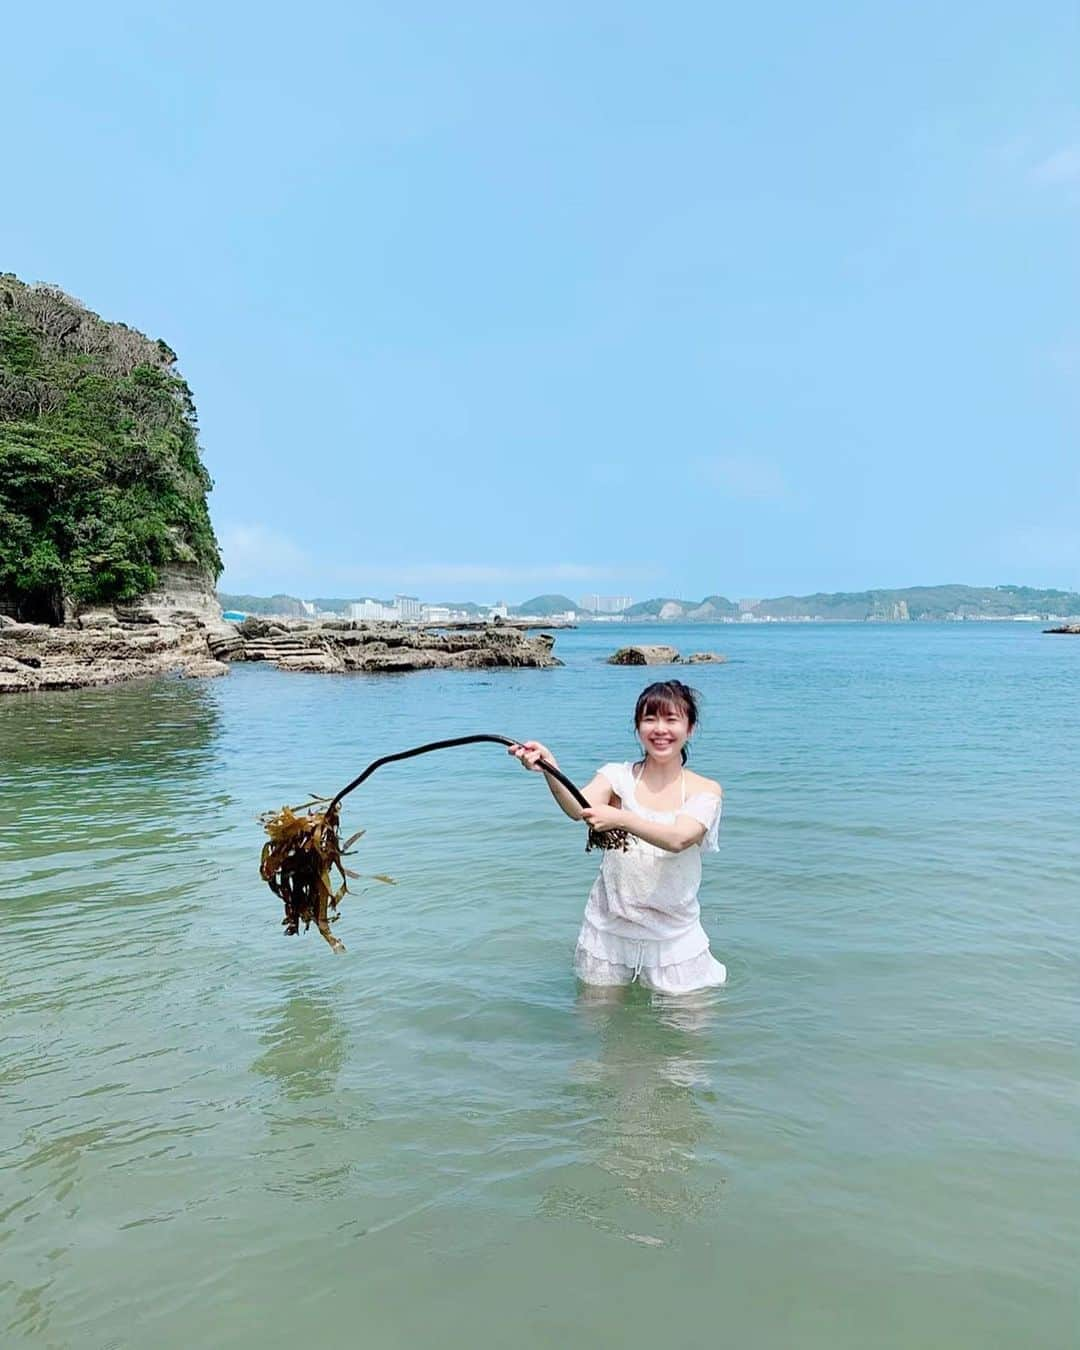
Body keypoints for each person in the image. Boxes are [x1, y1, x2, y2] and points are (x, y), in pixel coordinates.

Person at [509, 680, 727, 994]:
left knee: (689, 1037)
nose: (660, 729)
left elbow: (679, 838)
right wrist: (549, 768)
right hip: (608, 929)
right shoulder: (617, 776)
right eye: (650, 719)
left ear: (690, 728)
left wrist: (621, 817)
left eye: (671, 719)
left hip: (673, 936)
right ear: (638, 727)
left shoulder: (705, 790)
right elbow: (577, 807)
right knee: (600, 1031)